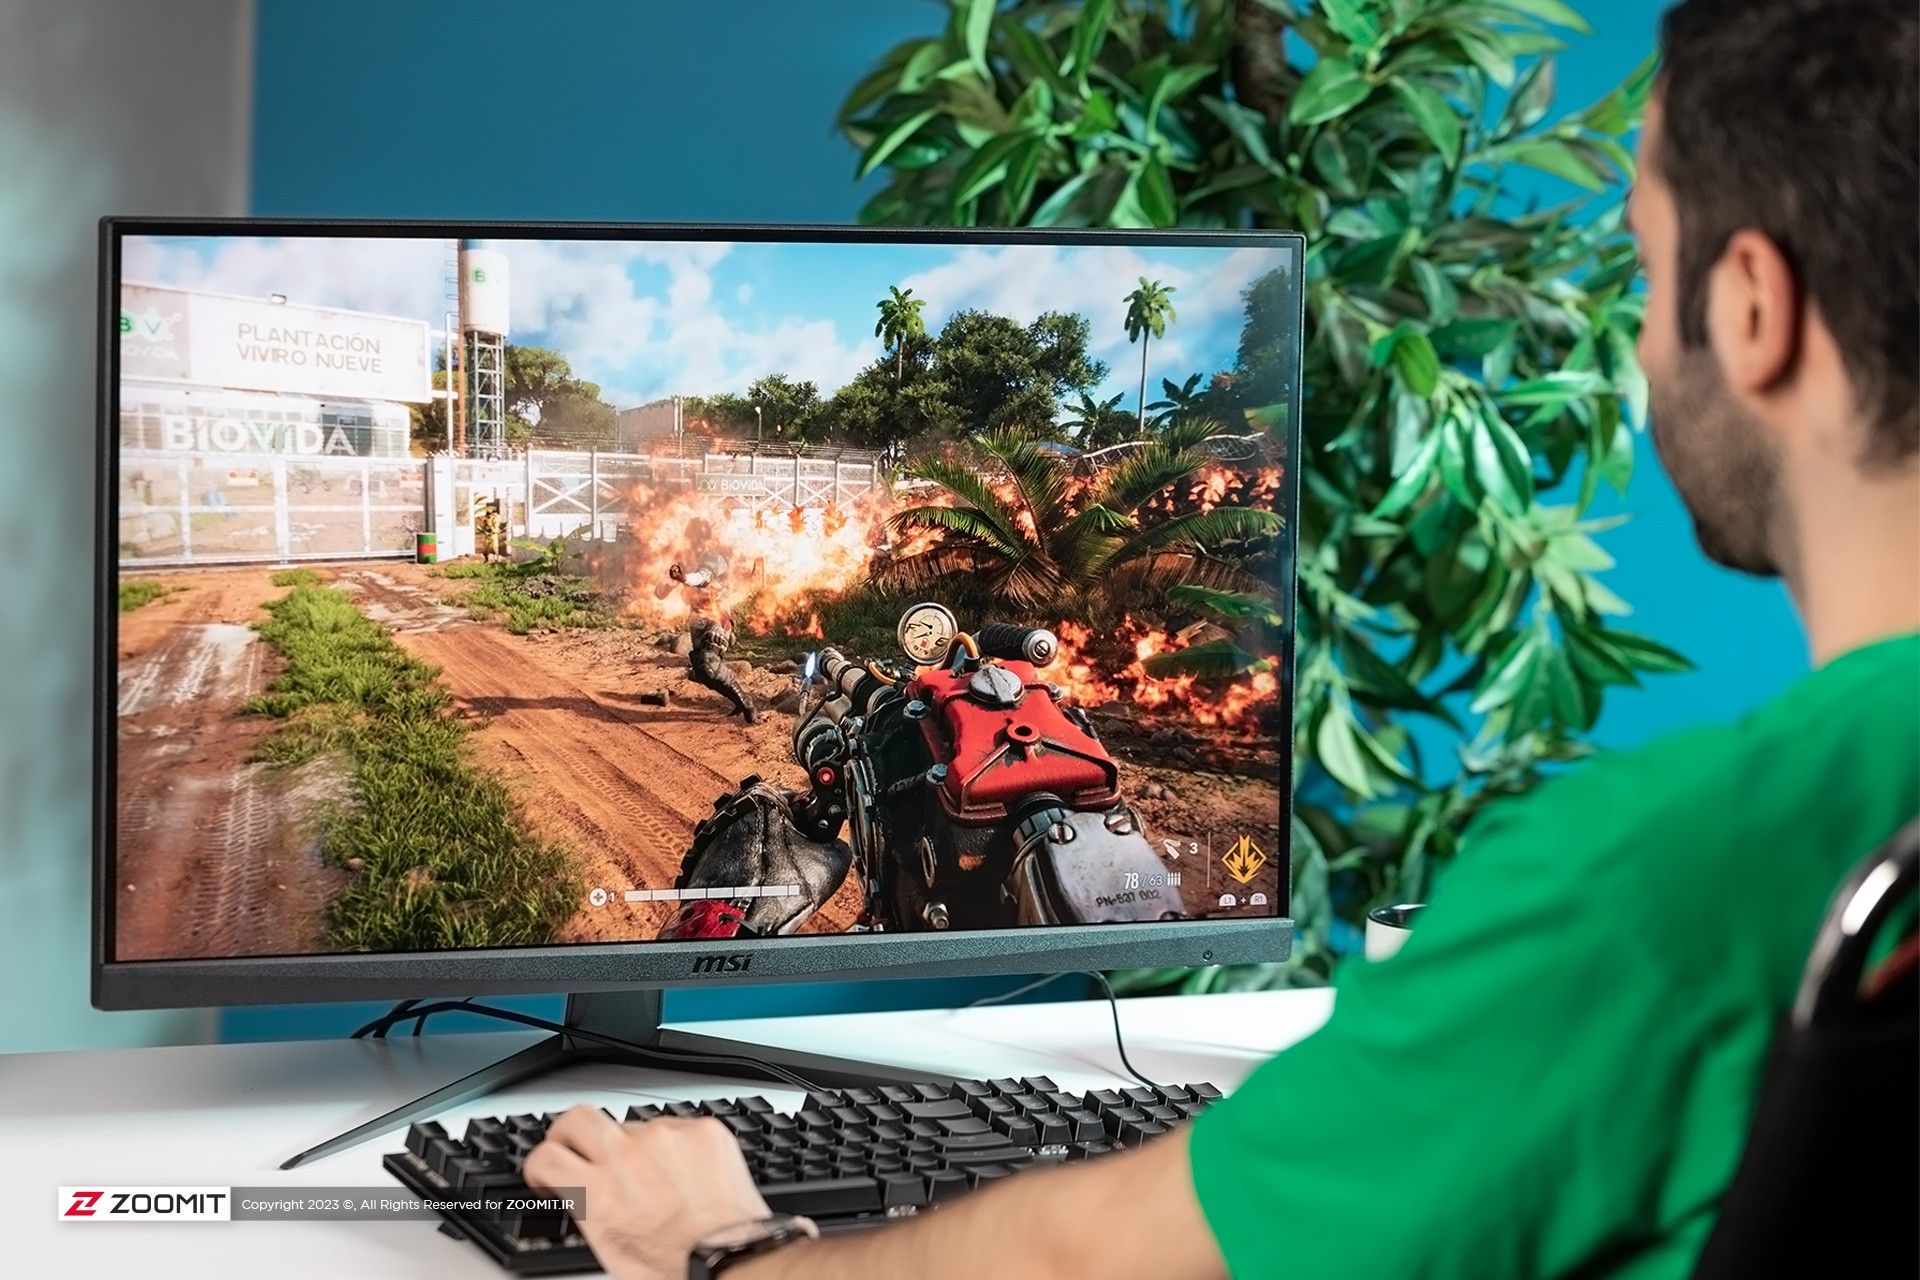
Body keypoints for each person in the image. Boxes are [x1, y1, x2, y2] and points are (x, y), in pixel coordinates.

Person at [526, 1, 1919, 1275]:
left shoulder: (1659, 889)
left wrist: (721, 1244)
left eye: (1644, 262)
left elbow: (1093, 1264)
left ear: (1751, 308)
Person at [664, 549, 758, 725]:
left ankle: (747, 704)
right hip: (697, 622)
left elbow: (703, 577)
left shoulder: (714, 557)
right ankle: (742, 701)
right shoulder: (685, 556)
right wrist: (671, 580)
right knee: (703, 673)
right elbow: (660, 592)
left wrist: (683, 578)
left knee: (708, 666)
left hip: (716, 617)